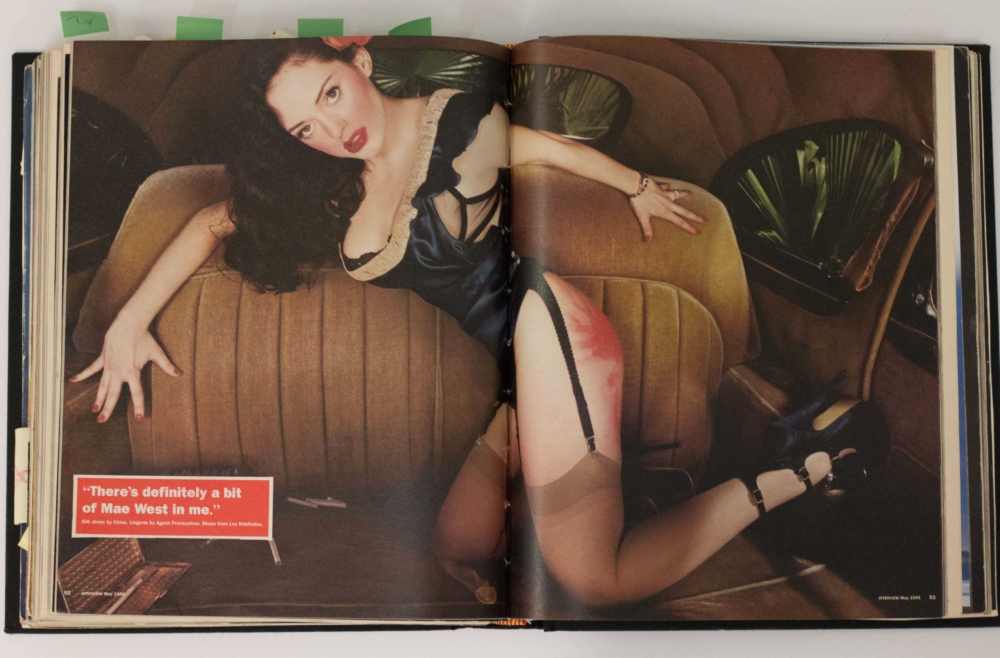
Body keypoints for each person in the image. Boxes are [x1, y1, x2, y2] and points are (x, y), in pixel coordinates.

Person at [71, 38, 882, 607]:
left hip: (554, 337)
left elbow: (545, 148)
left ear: (359, 61)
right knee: (452, 552)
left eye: (330, 93)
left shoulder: (456, 120)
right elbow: (212, 220)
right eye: (304, 128)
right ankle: (606, 490)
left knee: (597, 581)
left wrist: (635, 185)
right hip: (518, 369)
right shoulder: (333, 189)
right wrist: (126, 325)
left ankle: (797, 468)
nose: (332, 129)